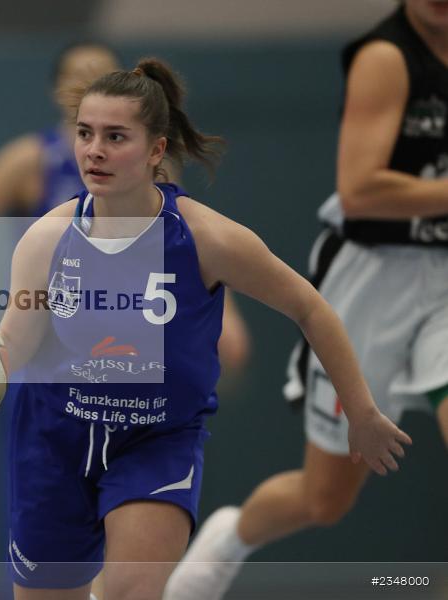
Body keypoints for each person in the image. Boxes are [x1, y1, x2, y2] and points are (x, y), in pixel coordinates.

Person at [0, 56, 410, 600]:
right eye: (85, 133)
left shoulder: (207, 239)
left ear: (157, 150)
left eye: (116, 136)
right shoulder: (47, 238)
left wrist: (362, 411)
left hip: (155, 440)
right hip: (53, 442)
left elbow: (311, 308)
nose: (95, 150)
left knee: (130, 592)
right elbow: (13, 343)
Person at [163, 2, 448, 599]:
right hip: (377, 281)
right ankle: (228, 538)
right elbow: (361, 188)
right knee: (324, 500)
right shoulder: (387, 57)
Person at [0, 42, 251, 376]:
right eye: (79, 75)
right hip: (43, 343)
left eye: (103, 73)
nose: (92, 80)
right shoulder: (32, 160)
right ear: (57, 90)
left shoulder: (151, 165)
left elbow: (183, 241)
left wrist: (222, 309)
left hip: (119, 341)